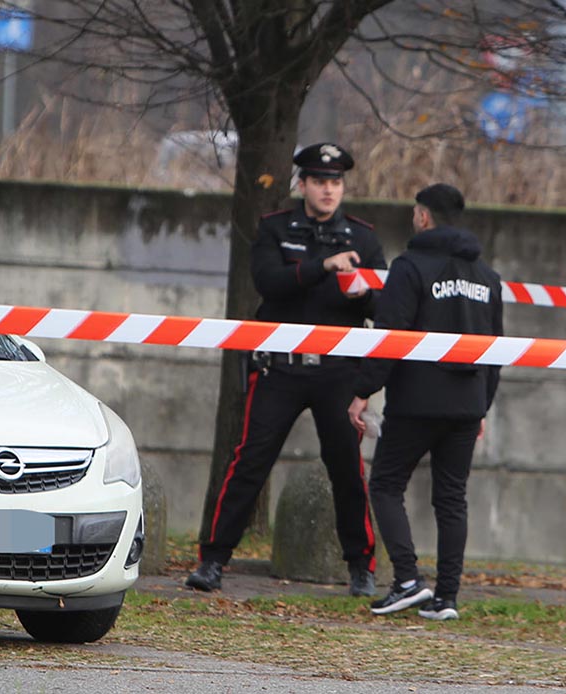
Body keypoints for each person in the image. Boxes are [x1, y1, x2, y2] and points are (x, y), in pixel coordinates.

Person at [186, 142, 386, 597]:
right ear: (303, 184)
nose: (329, 190)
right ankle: (213, 561)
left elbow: (386, 303)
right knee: (250, 463)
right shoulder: (276, 228)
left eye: (336, 182)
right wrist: (322, 267)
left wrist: (364, 296)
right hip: (281, 369)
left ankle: (361, 567)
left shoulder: (364, 238)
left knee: (347, 470)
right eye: (320, 181)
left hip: (338, 372)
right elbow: (269, 283)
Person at [347, 183, 503, 621]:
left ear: (422, 216)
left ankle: (408, 581)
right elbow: (498, 350)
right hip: (467, 405)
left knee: (385, 485)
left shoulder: (410, 267)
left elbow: (390, 335)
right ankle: (447, 598)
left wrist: (362, 391)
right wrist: (482, 406)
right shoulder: (487, 278)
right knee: (452, 499)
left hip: (416, 402)